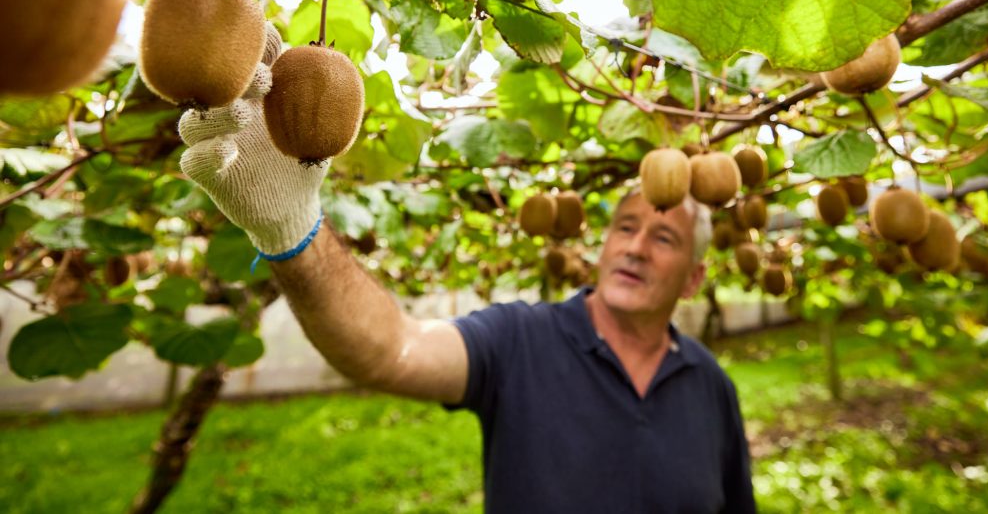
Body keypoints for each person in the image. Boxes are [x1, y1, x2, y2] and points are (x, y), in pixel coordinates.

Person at [177, 63, 757, 513]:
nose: (634, 246)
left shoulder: (712, 387)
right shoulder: (521, 340)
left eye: (663, 238)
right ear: (601, 246)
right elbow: (389, 349)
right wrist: (291, 227)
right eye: (625, 227)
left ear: (695, 278)